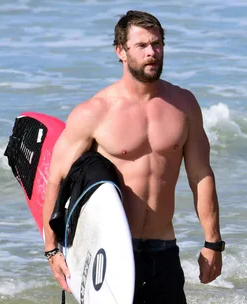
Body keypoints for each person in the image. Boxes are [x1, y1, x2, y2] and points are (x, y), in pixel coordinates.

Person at [42, 10, 224, 303]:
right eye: (142, 46)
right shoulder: (95, 111)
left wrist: (213, 242)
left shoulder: (184, 105)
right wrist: (52, 251)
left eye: (157, 44)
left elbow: (201, 175)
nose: (152, 53)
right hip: (111, 255)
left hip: (165, 250)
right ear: (121, 52)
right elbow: (56, 179)